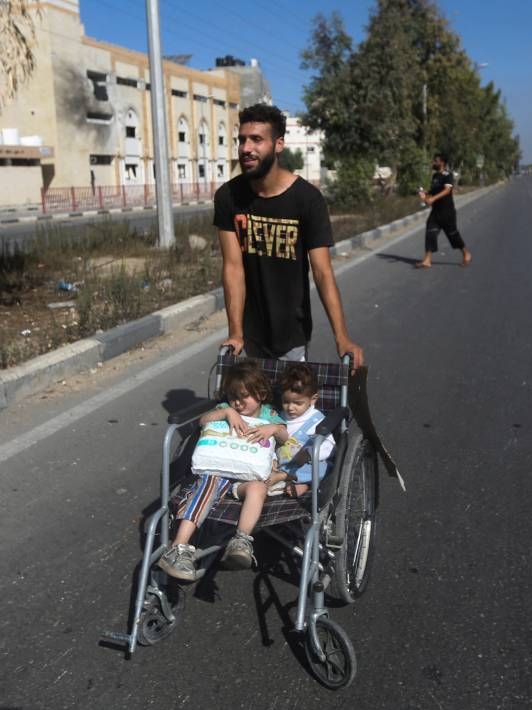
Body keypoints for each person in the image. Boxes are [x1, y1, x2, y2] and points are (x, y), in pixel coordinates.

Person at [213, 103, 363, 365]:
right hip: (249, 336)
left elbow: (322, 271)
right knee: (251, 406)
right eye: (242, 140)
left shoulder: (307, 200)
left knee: (290, 404)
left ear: (278, 144)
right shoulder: (228, 197)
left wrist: (342, 337)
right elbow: (233, 267)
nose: (246, 148)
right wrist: (235, 332)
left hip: (291, 334)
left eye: (256, 140)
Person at [158, 361, 288, 581]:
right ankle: (178, 547)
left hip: (246, 479)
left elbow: (286, 437)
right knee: (208, 484)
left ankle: (241, 540)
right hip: (218, 471)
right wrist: (227, 412)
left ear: (261, 393)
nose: (237, 403)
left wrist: (274, 428)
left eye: (243, 397)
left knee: (258, 488)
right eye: (233, 397)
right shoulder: (226, 408)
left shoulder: (269, 414)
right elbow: (203, 421)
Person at [265, 362, 335, 498]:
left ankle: (295, 480)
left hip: (306, 465)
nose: (290, 408)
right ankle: (293, 481)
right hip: (280, 465)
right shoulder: (277, 417)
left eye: (298, 403)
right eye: (286, 402)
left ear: (313, 399)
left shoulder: (317, 420)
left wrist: (310, 452)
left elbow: (329, 447)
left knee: (325, 468)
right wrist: (272, 459)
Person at [415, 152, 472, 268]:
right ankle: (427, 260)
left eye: (435, 161)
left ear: (442, 162)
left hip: (447, 212)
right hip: (436, 211)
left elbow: (447, 190)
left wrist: (433, 199)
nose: (433, 163)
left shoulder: (447, 175)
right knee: (430, 232)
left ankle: (466, 253)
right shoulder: (435, 176)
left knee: (452, 235)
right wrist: (425, 193)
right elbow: (434, 190)